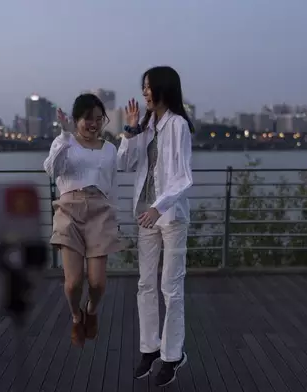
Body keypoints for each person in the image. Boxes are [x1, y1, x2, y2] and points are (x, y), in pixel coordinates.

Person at [117, 65, 194, 387]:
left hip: (169, 216)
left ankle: (173, 355)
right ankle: (150, 348)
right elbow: (124, 164)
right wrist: (130, 131)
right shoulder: (146, 127)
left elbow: (184, 178)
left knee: (170, 288)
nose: (144, 92)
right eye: (143, 87)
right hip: (145, 215)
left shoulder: (178, 125)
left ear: (164, 88)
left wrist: (157, 206)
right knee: (145, 285)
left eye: (148, 87)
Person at [43, 93, 123, 347]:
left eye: (99, 119)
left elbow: (112, 185)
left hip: (100, 210)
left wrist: (114, 214)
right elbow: (51, 169)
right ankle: (76, 316)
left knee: (98, 282)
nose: (94, 124)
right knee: (73, 282)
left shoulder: (109, 149)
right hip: (69, 210)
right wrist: (65, 136)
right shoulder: (65, 142)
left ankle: (91, 310)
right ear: (77, 119)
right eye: (88, 118)